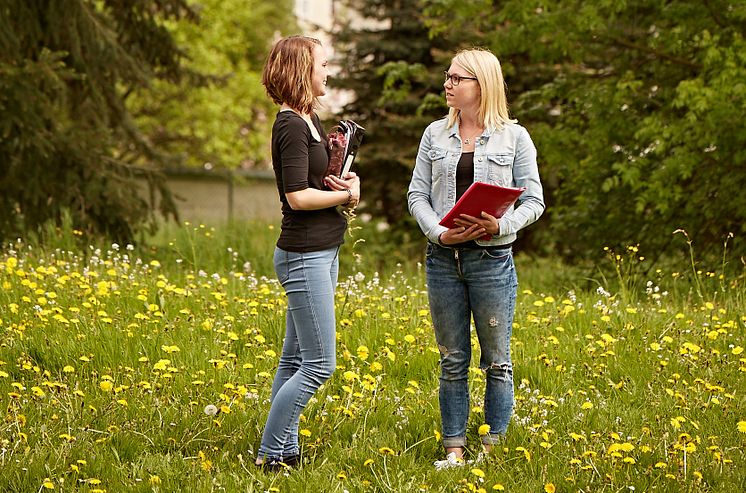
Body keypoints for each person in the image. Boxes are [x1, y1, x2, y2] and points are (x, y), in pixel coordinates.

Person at [407, 48, 544, 469]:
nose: (447, 84)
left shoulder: (514, 138)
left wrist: (498, 226)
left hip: (492, 262)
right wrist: (440, 232)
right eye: (447, 77)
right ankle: (454, 450)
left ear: (481, 85)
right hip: (443, 260)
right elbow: (417, 194)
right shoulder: (434, 134)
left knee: (497, 361)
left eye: (456, 78)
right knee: (452, 359)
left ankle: (492, 450)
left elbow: (534, 200)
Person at [256, 35, 361, 470]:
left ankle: (286, 451)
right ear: (302, 70)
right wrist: (338, 199)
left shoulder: (310, 119)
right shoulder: (292, 126)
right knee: (319, 365)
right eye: (322, 64)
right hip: (304, 254)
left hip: (323, 249)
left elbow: (317, 185)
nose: (328, 71)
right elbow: (297, 197)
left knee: (295, 359)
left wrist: (347, 188)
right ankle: (269, 453)